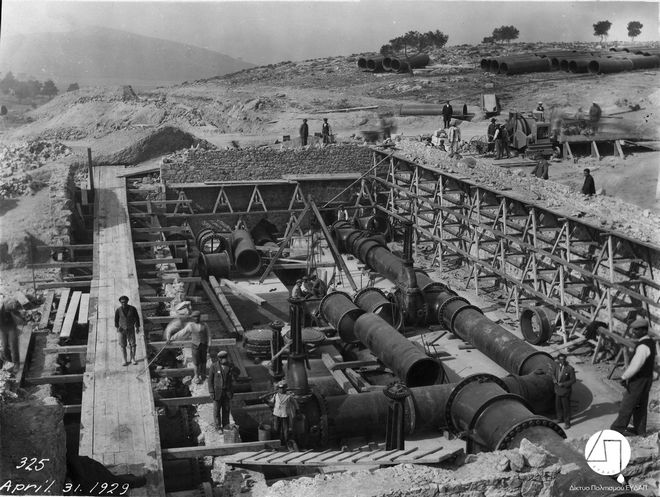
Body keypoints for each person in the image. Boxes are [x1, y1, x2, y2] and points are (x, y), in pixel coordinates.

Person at [610, 319, 656, 437]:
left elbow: (636, 365)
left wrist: (624, 376)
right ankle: (640, 430)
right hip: (646, 379)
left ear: (644, 331)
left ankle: (616, 430)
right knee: (640, 406)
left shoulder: (643, 346)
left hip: (638, 380)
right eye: (633, 329)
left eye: (636, 329)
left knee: (627, 404)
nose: (633, 332)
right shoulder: (651, 342)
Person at [177, 310, 211, 383]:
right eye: (194, 317)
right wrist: (171, 338)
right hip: (195, 346)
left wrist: (209, 345)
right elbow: (181, 333)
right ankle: (196, 376)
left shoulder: (205, 325)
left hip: (204, 345)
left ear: (199, 317)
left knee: (203, 361)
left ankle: (203, 375)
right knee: (196, 362)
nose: (196, 318)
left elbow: (209, 336)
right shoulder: (190, 325)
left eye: (197, 317)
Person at [208, 350, 236, 432]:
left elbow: (236, 375)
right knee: (216, 410)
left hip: (227, 392)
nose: (225, 360)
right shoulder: (214, 366)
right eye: (223, 358)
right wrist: (211, 391)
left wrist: (233, 370)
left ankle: (226, 426)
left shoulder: (230, 366)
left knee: (226, 410)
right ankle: (218, 427)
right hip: (217, 392)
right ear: (219, 359)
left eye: (226, 358)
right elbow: (210, 380)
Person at [267, 381, 298, 445]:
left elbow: (295, 403)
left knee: (285, 430)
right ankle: (277, 442)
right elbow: (271, 402)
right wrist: (266, 401)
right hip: (276, 414)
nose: (281, 390)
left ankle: (286, 442)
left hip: (285, 414)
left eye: (283, 388)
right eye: (280, 388)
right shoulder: (276, 395)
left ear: (285, 388)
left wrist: (298, 410)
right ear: (278, 389)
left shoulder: (289, 396)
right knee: (276, 429)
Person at [114, 295, 140, 366]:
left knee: (133, 344)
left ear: (127, 301)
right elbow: (116, 320)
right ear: (120, 302)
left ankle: (133, 358)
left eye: (125, 302)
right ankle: (124, 359)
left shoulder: (133, 309)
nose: (123, 303)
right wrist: (117, 327)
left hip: (131, 328)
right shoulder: (118, 310)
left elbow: (137, 318)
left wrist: (137, 327)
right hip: (122, 330)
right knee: (122, 345)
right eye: (122, 302)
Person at [0, 298, 24, 371]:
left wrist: (14, 315)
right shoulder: (1, 309)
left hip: (11, 327)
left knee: (13, 346)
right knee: (5, 346)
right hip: (2, 328)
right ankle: (9, 362)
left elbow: (21, 321)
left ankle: (16, 364)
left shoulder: (13, 309)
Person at [553, 354, 576, 429]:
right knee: (558, 406)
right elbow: (554, 375)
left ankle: (567, 422)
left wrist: (563, 384)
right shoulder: (556, 366)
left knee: (566, 407)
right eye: (560, 359)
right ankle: (559, 418)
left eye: (563, 359)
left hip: (565, 391)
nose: (562, 361)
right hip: (557, 390)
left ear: (565, 359)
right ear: (558, 360)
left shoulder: (570, 368)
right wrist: (554, 380)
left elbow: (573, 380)